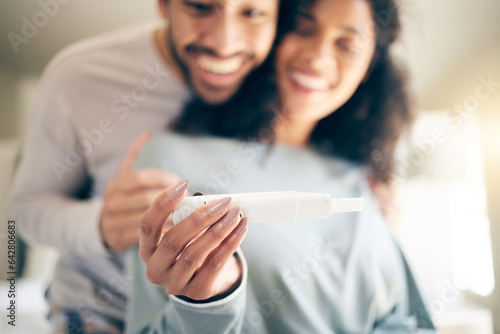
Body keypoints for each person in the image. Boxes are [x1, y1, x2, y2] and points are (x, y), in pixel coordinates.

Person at [125, 0, 437, 332]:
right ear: (272, 32)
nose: (317, 58)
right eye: (302, 29)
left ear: (370, 66)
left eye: (347, 44)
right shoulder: (170, 160)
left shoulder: (362, 178)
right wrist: (211, 303)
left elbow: (409, 321)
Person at [8, 0, 283, 332]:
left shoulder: (291, 79)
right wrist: (101, 224)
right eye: (199, 6)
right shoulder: (80, 76)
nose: (224, 44)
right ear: (164, 5)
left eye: (252, 13)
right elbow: (25, 209)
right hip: (100, 310)